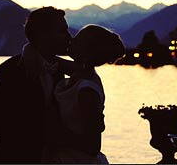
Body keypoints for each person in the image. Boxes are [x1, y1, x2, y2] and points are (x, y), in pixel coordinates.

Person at [0, 7, 72, 164]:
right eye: (62, 31)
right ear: (43, 35)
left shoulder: (57, 70)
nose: (69, 37)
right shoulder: (11, 69)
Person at [43, 24, 126, 164]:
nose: (71, 39)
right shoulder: (80, 73)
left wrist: (55, 134)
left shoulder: (87, 90)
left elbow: (93, 145)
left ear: (87, 51)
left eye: (78, 40)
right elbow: (47, 59)